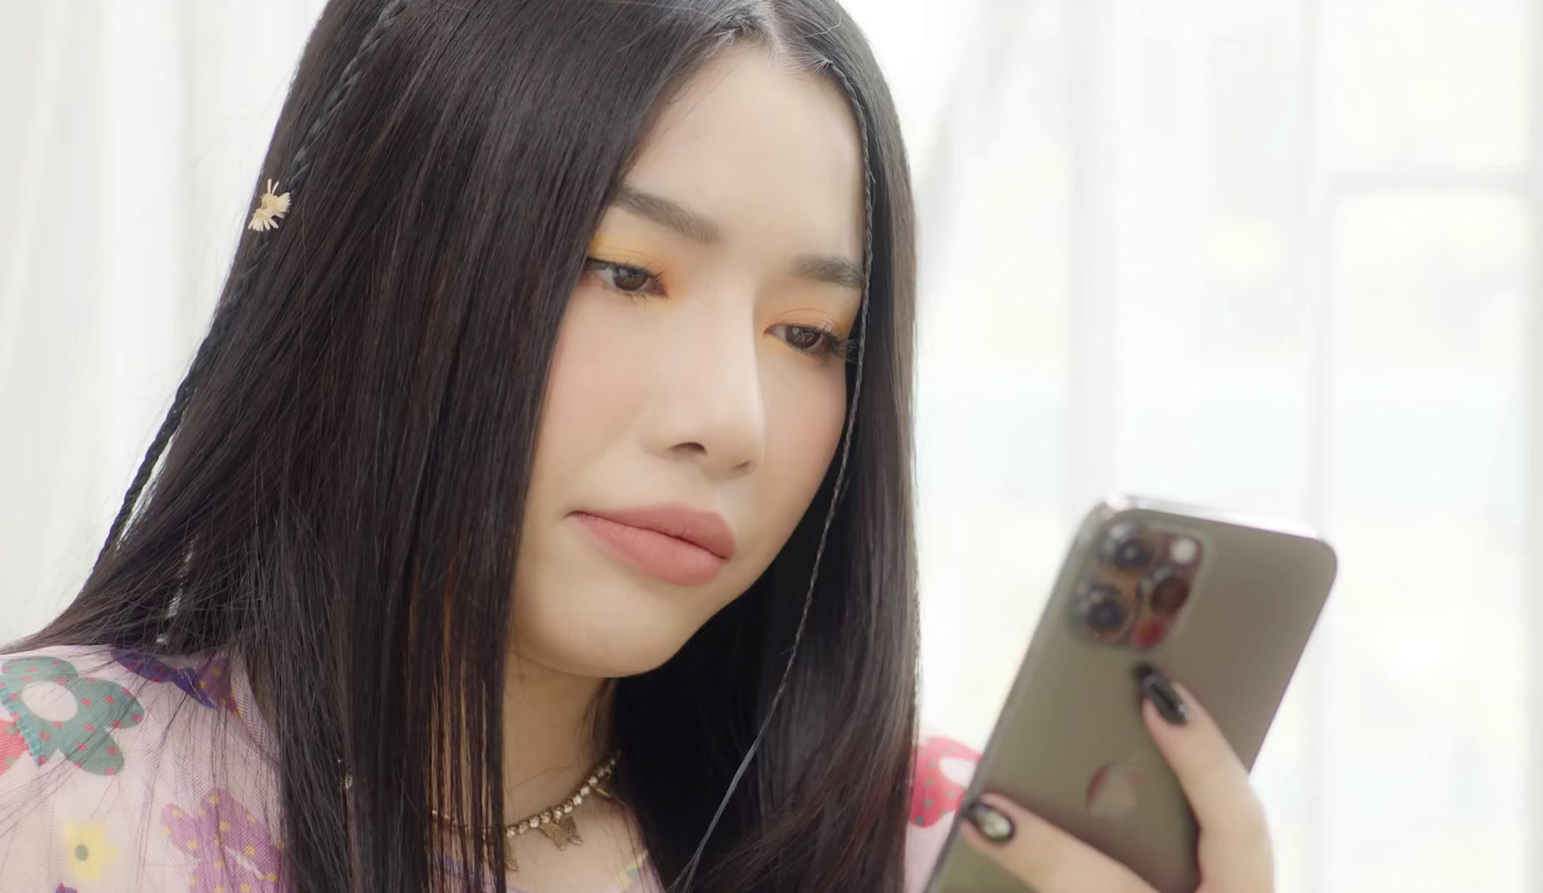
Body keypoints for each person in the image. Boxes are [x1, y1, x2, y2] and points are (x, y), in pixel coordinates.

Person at [0, 1, 1273, 891]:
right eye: (625, 271)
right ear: (378, 265)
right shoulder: (49, 790)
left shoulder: (939, 848)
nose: (733, 419)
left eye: (813, 333)